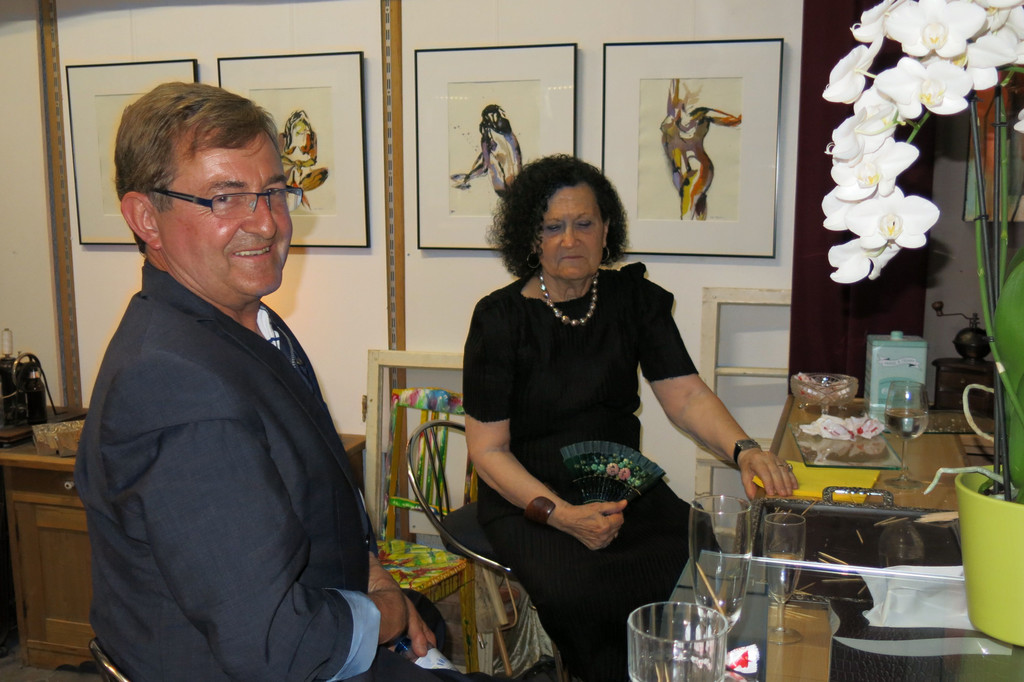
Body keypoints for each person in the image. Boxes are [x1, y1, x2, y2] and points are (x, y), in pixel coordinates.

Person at [74, 82, 484, 682]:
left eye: (272, 191)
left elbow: (314, 501)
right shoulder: (174, 385)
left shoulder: (246, 320)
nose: (265, 223)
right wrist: (387, 616)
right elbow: (273, 645)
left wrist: (374, 575)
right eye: (225, 198)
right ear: (145, 218)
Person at [462, 154, 797, 682]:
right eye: (552, 227)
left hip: (620, 480)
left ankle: (690, 672)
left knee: (699, 557)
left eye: (584, 223)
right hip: (529, 497)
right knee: (583, 592)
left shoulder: (632, 300)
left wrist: (745, 449)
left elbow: (685, 396)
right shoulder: (499, 320)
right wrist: (563, 516)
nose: (569, 239)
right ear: (530, 237)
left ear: (606, 230)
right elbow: (488, 451)